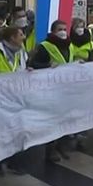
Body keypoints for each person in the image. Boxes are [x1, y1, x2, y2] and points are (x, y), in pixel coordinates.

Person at [0, 26, 30, 175]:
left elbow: (22, 70)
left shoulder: (22, 53)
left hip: (16, 100)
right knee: (0, 134)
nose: (23, 37)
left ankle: (13, 163)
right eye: (21, 34)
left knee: (17, 132)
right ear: (11, 38)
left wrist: (29, 72)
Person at [30, 20, 75, 162]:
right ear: (53, 31)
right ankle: (50, 149)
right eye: (59, 29)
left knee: (66, 119)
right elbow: (33, 65)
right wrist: (48, 65)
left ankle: (62, 146)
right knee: (53, 121)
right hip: (50, 89)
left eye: (64, 29)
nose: (63, 32)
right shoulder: (45, 46)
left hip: (67, 89)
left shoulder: (70, 45)